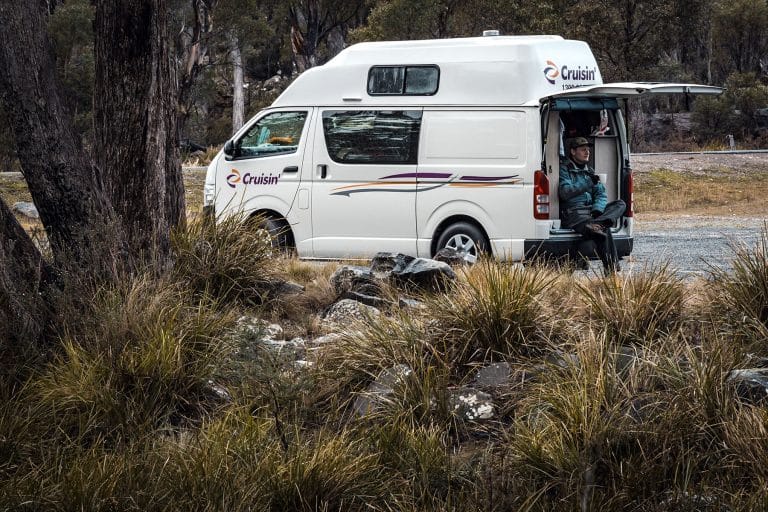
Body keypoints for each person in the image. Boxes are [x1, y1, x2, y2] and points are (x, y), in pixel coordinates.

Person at [559, 137, 626, 274]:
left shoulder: (590, 171)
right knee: (603, 231)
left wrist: (597, 210)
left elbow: (601, 194)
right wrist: (589, 182)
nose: (587, 152)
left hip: (591, 214)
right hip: (575, 214)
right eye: (583, 149)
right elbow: (565, 192)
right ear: (573, 151)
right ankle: (612, 270)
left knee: (620, 204)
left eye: (588, 149)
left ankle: (597, 223)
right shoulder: (564, 170)